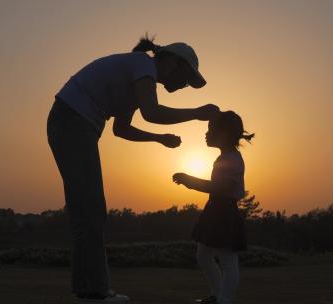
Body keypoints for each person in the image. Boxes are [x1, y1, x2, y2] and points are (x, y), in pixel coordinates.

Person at [46, 34, 219, 303]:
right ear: (173, 62)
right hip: (72, 123)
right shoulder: (143, 65)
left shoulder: (141, 79)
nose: (185, 85)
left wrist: (158, 139)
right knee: (89, 210)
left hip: (74, 125)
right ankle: (93, 292)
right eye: (187, 78)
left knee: (89, 211)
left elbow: (121, 129)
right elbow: (153, 113)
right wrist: (196, 113)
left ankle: (90, 289)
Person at [172, 111, 254, 304]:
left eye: (211, 129)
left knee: (227, 260)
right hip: (216, 210)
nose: (207, 134)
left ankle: (223, 299)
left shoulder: (232, 159)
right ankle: (218, 296)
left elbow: (220, 188)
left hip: (224, 213)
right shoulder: (227, 157)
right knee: (203, 256)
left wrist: (189, 180)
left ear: (223, 133)